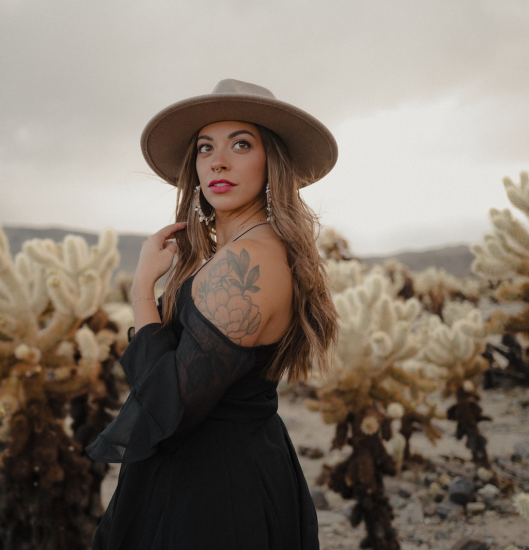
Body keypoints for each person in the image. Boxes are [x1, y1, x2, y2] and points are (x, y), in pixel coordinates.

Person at [86, 79, 339, 550]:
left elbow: (169, 405)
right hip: (215, 472)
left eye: (241, 144)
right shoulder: (237, 254)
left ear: (272, 162)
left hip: (215, 495)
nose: (218, 161)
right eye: (206, 148)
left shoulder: (251, 263)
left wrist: (143, 290)